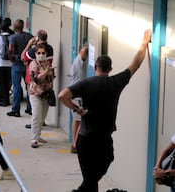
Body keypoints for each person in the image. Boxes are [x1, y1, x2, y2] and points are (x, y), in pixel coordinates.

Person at [58, 29, 151, 192]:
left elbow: (62, 96)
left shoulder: (86, 84)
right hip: (103, 139)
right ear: (110, 68)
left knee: (89, 180)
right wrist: (144, 43)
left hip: (85, 139)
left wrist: (76, 109)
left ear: (95, 67)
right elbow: (135, 65)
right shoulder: (115, 82)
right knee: (99, 171)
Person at [27, 44, 55, 148]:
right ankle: (34, 139)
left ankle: (38, 136)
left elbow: (51, 78)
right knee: (36, 116)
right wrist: (47, 72)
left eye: (43, 53)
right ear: (35, 54)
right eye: (39, 53)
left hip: (46, 94)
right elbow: (36, 79)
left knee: (42, 117)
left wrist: (49, 73)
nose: (41, 55)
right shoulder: (33, 64)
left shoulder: (47, 63)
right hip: (36, 94)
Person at [6, 19, 33, 117]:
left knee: (16, 87)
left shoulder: (13, 37)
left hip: (17, 63)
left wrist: (11, 58)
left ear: (15, 27)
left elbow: (10, 49)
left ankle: (16, 110)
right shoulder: (30, 36)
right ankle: (30, 108)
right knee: (29, 86)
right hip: (27, 64)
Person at [69, 42, 88, 153]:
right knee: (80, 120)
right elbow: (83, 52)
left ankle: (75, 143)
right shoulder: (80, 61)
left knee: (76, 120)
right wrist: (88, 47)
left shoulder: (76, 61)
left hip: (75, 94)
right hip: (78, 96)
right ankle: (75, 144)